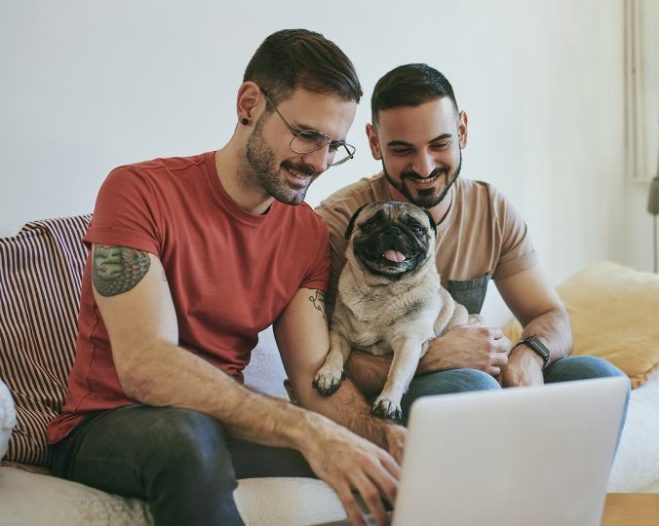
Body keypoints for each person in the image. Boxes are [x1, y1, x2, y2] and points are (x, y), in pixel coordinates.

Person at [47, 29, 402, 526]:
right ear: (250, 103)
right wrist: (303, 428)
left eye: (334, 146)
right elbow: (146, 364)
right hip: (108, 424)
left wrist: (380, 439)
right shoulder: (138, 190)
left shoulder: (304, 233)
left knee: (375, 469)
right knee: (189, 438)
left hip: (221, 426)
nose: (319, 163)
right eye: (306, 135)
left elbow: (314, 375)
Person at [317, 64, 627, 421]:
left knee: (601, 381)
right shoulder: (341, 222)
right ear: (374, 143)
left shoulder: (491, 209)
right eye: (402, 149)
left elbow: (550, 315)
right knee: (472, 390)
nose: (424, 166)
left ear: (462, 131)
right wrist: (435, 356)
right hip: (399, 388)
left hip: (481, 372)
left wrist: (529, 356)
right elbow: (315, 358)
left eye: (439, 144)